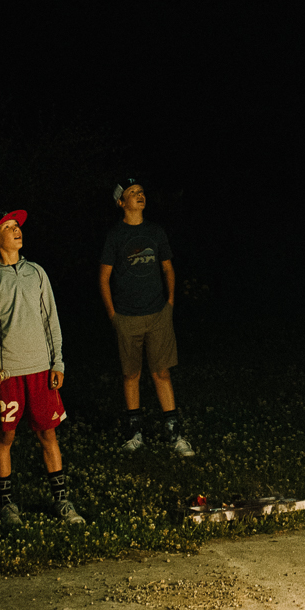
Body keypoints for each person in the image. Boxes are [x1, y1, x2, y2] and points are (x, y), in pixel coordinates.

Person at [0, 209, 84, 526]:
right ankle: (6, 505)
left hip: (40, 370)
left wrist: (57, 362)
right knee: (5, 439)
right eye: (8, 227)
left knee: (48, 435)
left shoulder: (36, 272)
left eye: (17, 225)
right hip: (7, 375)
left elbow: (52, 320)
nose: (16, 230)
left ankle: (61, 501)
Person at [98, 179, 192, 456]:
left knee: (162, 372)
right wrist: (113, 315)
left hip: (158, 314)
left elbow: (168, 268)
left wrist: (170, 303)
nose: (140, 196)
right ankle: (135, 434)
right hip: (127, 316)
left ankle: (175, 434)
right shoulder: (115, 236)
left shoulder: (155, 231)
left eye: (141, 192)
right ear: (121, 203)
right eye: (132, 193)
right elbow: (103, 278)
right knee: (131, 374)